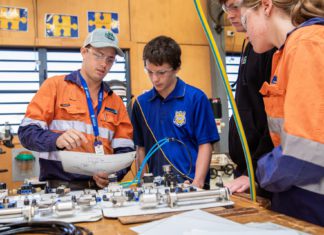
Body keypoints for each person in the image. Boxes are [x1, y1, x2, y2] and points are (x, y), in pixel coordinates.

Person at [240, 0, 324, 226]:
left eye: (245, 20)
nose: (245, 33)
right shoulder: (288, 51)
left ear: (266, 6)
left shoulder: (306, 44)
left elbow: (306, 151)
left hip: (313, 203)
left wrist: (262, 172)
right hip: (298, 196)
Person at [18, 28, 134, 190]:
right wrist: (55, 140)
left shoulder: (116, 102)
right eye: (98, 55)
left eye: (110, 59)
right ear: (84, 52)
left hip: (101, 191)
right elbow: (27, 133)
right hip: (60, 191)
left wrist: (113, 175)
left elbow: (125, 149)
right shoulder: (55, 86)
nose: (104, 64)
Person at [131, 36, 220, 189]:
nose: (155, 79)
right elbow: (141, 148)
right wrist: (143, 184)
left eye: (161, 73)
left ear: (177, 67)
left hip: (189, 186)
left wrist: (197, 183)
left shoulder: (196, 99)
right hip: (156, 190)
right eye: (149, 72)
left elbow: (205, 145)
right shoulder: (141, 104)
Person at [219, 0, 275, 197]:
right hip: (246, 169)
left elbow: (276, 121)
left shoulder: (270, 47)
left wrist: (258, 173)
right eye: (226, 9)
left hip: (265, 170)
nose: (232, 15)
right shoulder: (251, 46)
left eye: (235, 6)